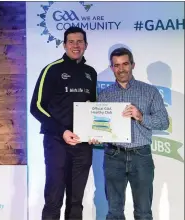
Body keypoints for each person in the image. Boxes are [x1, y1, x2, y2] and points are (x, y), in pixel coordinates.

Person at [94, 47, 169, 220]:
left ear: (133, 65)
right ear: (112, 68)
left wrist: (140, 116)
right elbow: (99, 127)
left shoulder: (150, 91)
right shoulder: (104, 95)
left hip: (141, 156)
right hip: (113, 155)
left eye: (125, 64)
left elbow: (164, 122)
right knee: (114, 212)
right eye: (117, 65)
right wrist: (95, 135)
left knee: (143, 212)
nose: (121, 69)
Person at [30, 26, 97, 220]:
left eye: (80, 41)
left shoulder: (90, 73)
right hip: (56, 142)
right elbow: (36, 107)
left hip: (83, 145)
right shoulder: (52, 70)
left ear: (86, 45)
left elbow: (92, 107)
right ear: (64, 44)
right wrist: (62, 132)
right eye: (71, 41)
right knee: (54, 199)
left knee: (76, 202)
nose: (76, 45)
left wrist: (95, 132)